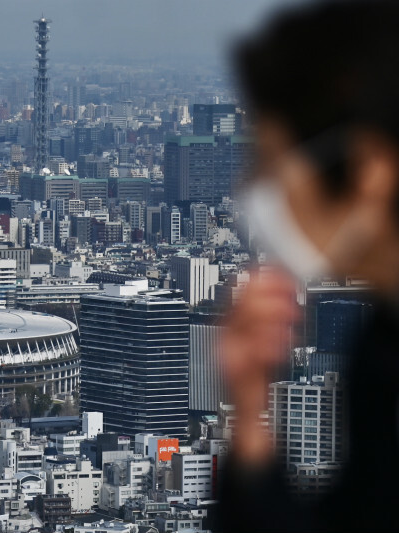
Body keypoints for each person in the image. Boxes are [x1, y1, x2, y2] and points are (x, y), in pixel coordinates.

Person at [222, 1, 399, 531]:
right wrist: (252, 426)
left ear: (366, 169)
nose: (251, 191)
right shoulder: (380, 346)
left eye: (272, 164)